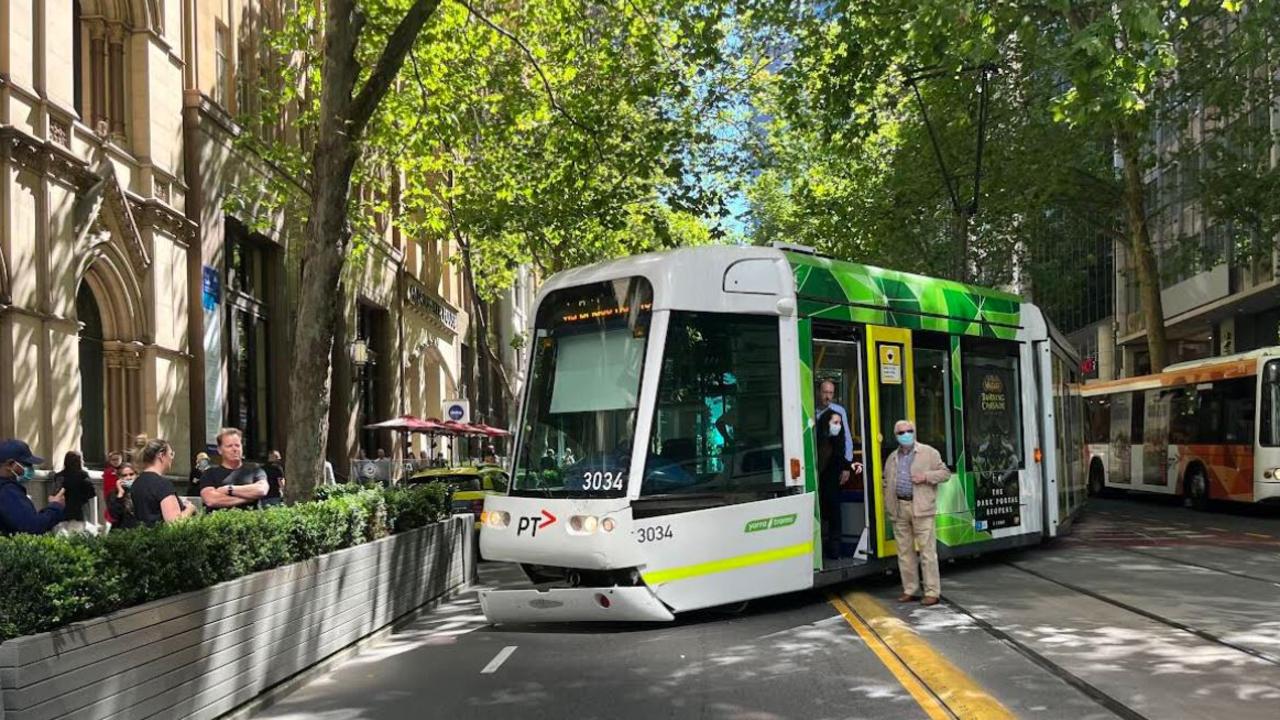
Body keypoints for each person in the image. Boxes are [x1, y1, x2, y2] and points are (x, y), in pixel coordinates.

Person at [882, 419, 951, 606]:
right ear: (896, 436)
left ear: (914, 432)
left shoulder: (929, 453)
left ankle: (932, 592)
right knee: (904, 553)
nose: (905, 435)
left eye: (908, 431)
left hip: (921, 507)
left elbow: (945, 474)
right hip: (900, 509)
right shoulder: (892, 458)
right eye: (901, 432)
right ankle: (910, 590)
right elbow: (886, 482)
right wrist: (889, 505)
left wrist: (926, 477)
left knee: (927, 552)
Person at [0, 439, 65, 535]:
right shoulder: (7, 491)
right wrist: (55, 506)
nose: (30, 469)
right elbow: (32, 527)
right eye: (27, 464)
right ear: (10, 464)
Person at [199, 428, 270, 512]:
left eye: (237, 445)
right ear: (220, 450)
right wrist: (249, 497)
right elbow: (211, 500)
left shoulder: (254, 470)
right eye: (229, 446)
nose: (234, 449)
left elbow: (261, 490)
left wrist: (229, 489)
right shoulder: (209, 474)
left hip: (251, 522)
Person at [131, 439, 196, 526]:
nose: (172, 458)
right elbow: (174, 523)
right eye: (171, 454)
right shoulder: (162, 484)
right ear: (161, 455)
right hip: (160, 537)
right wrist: (190, 509)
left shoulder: (137, 482)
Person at [52, 451, 97, 534]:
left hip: (61, 512)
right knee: (76, 537)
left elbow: (55, 493)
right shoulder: (83, 475)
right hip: (78, 512)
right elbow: (92, 493)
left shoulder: (59, 476)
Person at [105, 463, 140, 531]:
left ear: (136, 475)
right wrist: (120, 493)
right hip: (121, 531)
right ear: (119, 477)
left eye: (131, 474)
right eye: (124, 475)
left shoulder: (141, 490)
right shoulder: (113, 494)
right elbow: (114, 515)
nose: (129, 478)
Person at [102, 450, 124, 523]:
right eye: (113, 460)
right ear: (110, 461)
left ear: (121, 459)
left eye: (117, 459)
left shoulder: (125, 470)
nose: (115, 461)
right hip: (111, 497)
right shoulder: (107, 471)